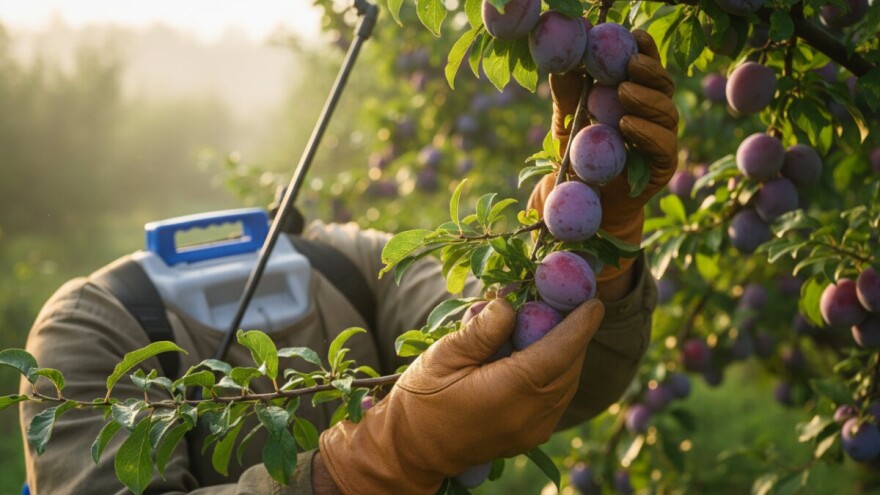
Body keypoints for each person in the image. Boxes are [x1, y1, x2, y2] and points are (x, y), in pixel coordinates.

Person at [19, 30, 677, 495]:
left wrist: (595, 243)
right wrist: (370, 464)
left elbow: (543, 374)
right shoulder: (86, 328)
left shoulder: (351, 262)